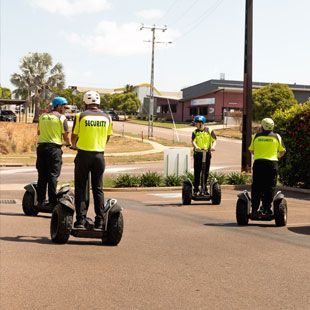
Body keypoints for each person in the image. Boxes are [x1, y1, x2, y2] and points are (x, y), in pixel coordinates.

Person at [71, 90, 113, 229]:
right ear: (98, 102)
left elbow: (74, 135)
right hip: (99, 155)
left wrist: (74, 145)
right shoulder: (107, 117)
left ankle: (81, 220)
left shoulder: (80, 115)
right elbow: (107, 137)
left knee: (81, 188)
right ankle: (100, 221)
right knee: (98, 188)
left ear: (85, 102)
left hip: (83, 154)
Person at [36, 96, 70, 208]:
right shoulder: (61, 118)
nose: (65, 109)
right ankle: (52, 202)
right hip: (54, 149)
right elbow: (66, 135)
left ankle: (40, 201)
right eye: (64, 106)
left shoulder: (42, 116)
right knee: (53, 175)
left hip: (41, 148)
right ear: (59, 106)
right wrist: (69, 144)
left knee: (42, 175)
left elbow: (39, 132)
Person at [249, 118, 286, 215]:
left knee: (256, 187)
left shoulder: (256, 136)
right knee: (270, 187)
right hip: (272, 164)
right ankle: (266, 208)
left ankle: (254, 210)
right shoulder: (277, 136)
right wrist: (276, 156)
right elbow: (283, 151)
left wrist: (260, 154)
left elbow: (252, 150)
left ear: (262, 126)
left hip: (259, 163)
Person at [192, 115, 217, 195]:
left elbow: (214, 140)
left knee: (205, 172)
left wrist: (213, 147)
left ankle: (204, 188)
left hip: (207, 153)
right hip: (198, 154)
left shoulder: (209, 131)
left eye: (196, 123)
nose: (195, 124)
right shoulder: (195, 132)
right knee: (197, 171)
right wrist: (196, 147)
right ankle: (196, 189)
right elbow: (193, 141)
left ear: (201, 123)